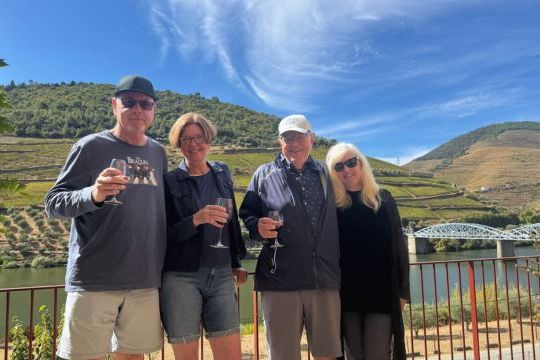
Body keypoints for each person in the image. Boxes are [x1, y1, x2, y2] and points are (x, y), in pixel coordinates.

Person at [45, 75, 167, 360]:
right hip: (95, 278)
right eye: (129, 101)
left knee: (133, 356)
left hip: (145, 280)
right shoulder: (90, 147)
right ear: (114, 105)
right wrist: (93, 194)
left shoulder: (158, 153)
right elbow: (52, 203)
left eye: (145, 103)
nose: (138, 108)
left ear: (153, 111)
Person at [240, 114, 342, 360]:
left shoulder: (327, 174)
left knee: (328, 354)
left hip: (324, 279)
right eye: (287, 137)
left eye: (299, 136)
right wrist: (257, 227)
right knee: (284, 355)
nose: (294, 142)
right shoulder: (263, 174)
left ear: (311, 139)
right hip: (280, 281)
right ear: (280, 142)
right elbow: (247, 213)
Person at [160, 112, 247, 360]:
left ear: (208, 140)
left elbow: (231, 222)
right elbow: (164, 235)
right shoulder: (170, 182)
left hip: (220, 275)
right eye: (186, 139)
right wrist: (196, 220)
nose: (193, 144)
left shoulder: (222, 173)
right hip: (181, 277)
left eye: (199, 137)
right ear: (178, 144)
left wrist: (235, 261)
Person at [325, 143, 410, 360]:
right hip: (346, 296)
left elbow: (400, 248)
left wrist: (403, 292)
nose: (347, 170)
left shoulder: (384, 200)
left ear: (361, 163)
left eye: (351, 162)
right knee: (354, 355)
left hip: (381, 295)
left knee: (378, 354)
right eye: (339, 166)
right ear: (333, 172)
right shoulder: (333, 207)